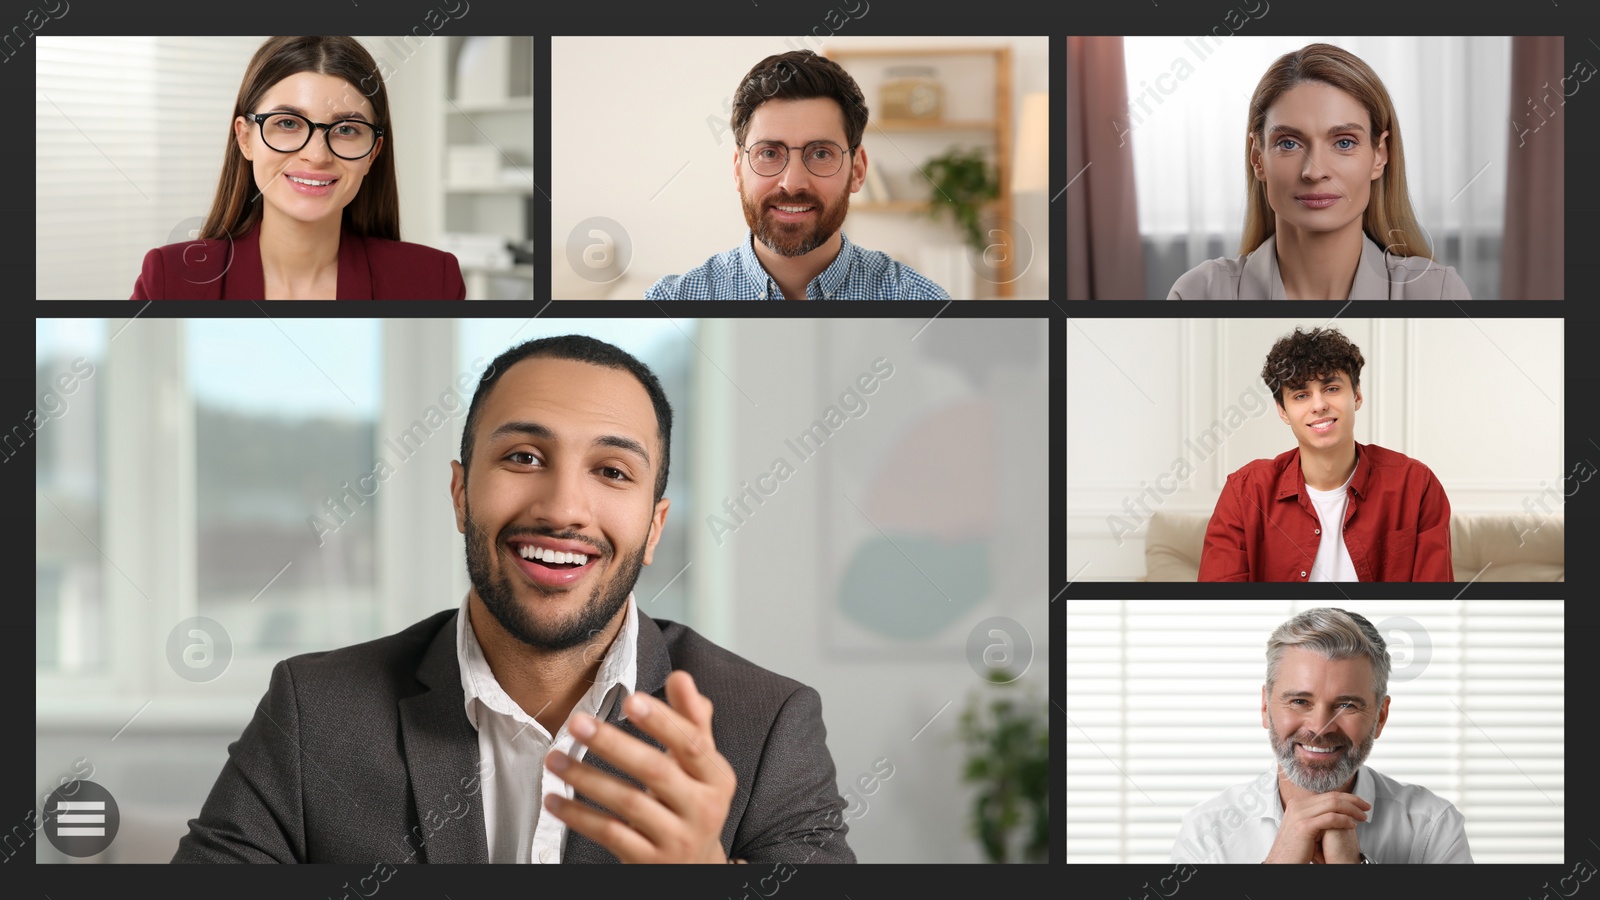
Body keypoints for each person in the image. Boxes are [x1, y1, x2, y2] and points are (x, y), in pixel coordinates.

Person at [172, 335, 855, 863]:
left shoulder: (767, 726)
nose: (563, 508)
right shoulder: (314, 710)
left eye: (612, 471)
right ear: (461, 494)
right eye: (524, 458)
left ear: (654, 527)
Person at [131, 36, 465, 300]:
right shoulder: (168, 279)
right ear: (245, 138)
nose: (317, 155)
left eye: (347, 129)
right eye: (288, 123)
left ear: (373, 152)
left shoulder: (433, 280)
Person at [1167, 43, 1471, 300]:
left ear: (1379, 156)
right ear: (1257, 158)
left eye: (1344, 142)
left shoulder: (1438, 293)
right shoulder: (1198, 294)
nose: (1314, 172)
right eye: (1288, 143)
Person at [1171, 608, 1472, 864]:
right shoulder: (1206, 832)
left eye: (1346, 705)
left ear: (1380, 716)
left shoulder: (1433, 826)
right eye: (1300, 701)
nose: (1320, 727)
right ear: (1265, 707)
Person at [645, 51, 949, 301]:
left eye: (820, 154)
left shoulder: (923, 303)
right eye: (769, 153)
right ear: (738, 169)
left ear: (857, 171)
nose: (792, 183)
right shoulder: (669, 303)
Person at [1199, 326, 1452, 582]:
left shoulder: (1416, 485)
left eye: (1331, 388)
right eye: (1301, 395)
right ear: (1283, 411)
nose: (1319, 405)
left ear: (1357, 395)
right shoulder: (1245, 493)